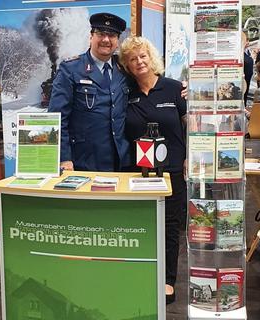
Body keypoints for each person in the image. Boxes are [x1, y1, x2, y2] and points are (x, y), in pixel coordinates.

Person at [119, 36, 187, 304]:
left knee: (170, 226)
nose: (139, 62)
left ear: (152, 57)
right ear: (127, 65)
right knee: (141, 226)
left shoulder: (173, 88)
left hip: (172, 171)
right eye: (133, 59)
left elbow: (189, 122)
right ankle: (143, 271)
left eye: (143, 56)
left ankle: (168, 280)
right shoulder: (126, 93)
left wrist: (190, 156)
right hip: (140, 173)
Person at [48, 13, 130, 172]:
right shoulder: (70, 69)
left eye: (112, 35)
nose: (106, 39)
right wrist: (64, 157)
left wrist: (179, 89)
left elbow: (149, 82)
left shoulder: (124, 69)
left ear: (117, 41)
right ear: (91, 36)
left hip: (121, 161)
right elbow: (57, 117)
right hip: (84, 161)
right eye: (101, 33)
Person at [243, 31, 254, 105]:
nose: (247, 42)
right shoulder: (240, 52)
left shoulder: (248, 51)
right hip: (243, 77)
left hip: (248, 76)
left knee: (246, 94)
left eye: (247, 40)